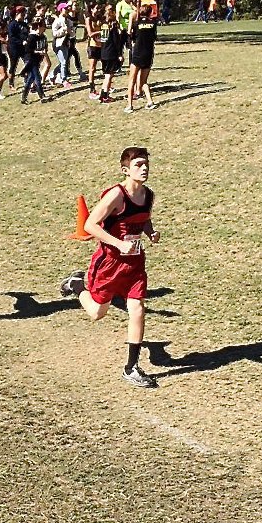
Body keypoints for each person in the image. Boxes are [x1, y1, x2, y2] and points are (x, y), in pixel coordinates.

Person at [59, 146, 161, 388]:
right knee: (97, 313)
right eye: (138, 165)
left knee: (137, 308)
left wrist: (151, 232)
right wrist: (117, 243)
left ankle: (131, 368)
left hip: (135, 264)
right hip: (109, 264)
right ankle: (76, 285)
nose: (144, 168)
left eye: (146, 164)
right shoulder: (116, 195)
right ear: (125, 170)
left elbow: (143, 218)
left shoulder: (148, 195)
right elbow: (90, 224)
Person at [125, 5, 157, 113]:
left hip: (137, 54)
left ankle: (129, 105)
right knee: (143, 82)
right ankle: (150, 101)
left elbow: (131, 36)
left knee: (132, 80)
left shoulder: (136, 24)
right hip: (148, 54)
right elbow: (154, 37)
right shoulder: (153, 24)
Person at [98, 5, 123, 103]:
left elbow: (103, 40)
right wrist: (119, 54)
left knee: (107, 75)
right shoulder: (113, 26)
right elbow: (116, 41)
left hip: (104, 52)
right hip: (111, 53)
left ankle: (103, 93)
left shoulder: (103, 24)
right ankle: (105, 95)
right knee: (109, 75)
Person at [21, 18, 48, 104]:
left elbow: (45, 46)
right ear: (39, 26)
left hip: (37, 60)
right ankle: (42, 96)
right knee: (38, 78)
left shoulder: (43, 37)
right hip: (31, 60)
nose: (45, 28)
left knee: (30, 79)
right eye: (43, 26)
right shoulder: (32, 37)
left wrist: (44, 51)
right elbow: (28, 50)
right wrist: (39, 52)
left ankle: (23, 98)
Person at [49, 2, 72, 87]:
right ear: (60, 10)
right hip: (58, 44)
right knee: (63, 62)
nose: (67, 10)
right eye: (65, 8)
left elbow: (71, 32)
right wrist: (63, 30)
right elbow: (54, 34)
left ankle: (51, 75)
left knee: (64, 62)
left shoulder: (68, 20)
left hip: (66, 43)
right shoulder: (57, 21)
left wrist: (71, 32)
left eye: (67, 8)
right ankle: (63, 79)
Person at [7, 7, 28, 89]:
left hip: (23, 48)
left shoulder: (24, 24)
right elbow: (11, 37)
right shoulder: (12, 24)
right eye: (22, 14)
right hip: (13, 48)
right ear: (17, 14)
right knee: (13, 65)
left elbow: (27, 33)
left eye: (24, 14)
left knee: (28, 62)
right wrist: (21, 42)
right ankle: (11, 83)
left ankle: (27, 80)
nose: (24, 16)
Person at [85, 3, 103, 100]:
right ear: (91, 9)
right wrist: (101, 32)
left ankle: (106, 85)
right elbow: (90, 33)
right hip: (93, 46)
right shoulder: (89, 19)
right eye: (96, 8)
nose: (98, 10)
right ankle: (91, 89)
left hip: (101, 45)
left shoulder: (100, 18)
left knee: (106, 65)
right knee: (92, 68)